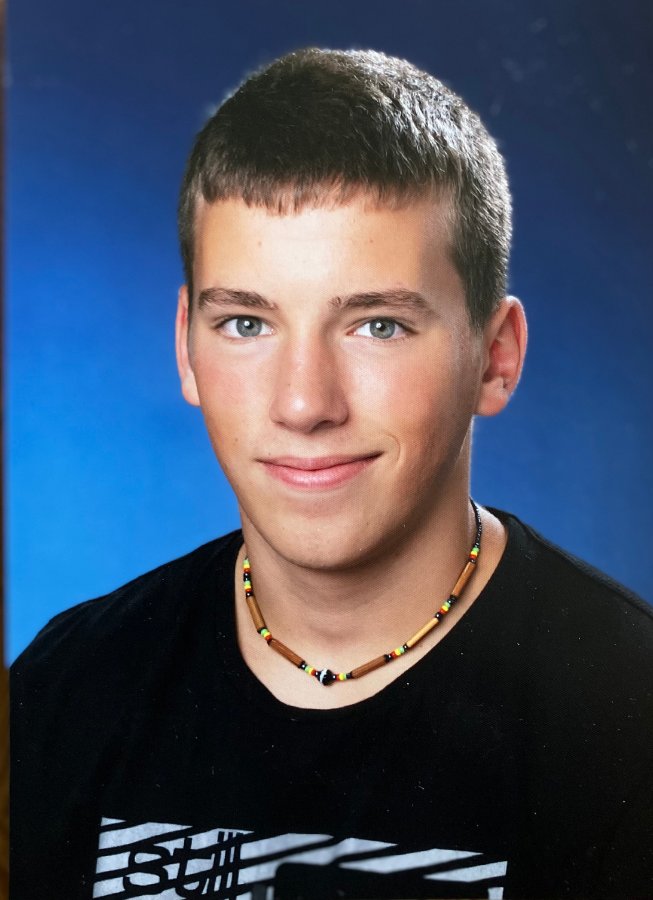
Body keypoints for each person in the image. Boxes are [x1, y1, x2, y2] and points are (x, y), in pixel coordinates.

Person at [11, 47, 653, 900]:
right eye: (246, 323)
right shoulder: (65, 686)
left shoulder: (627, 714)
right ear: (187, 348)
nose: (303, 403)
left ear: (494, 359)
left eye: (377, 325)